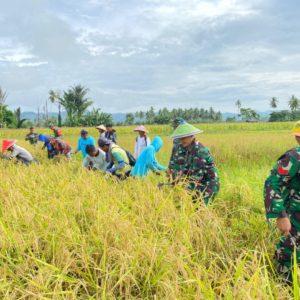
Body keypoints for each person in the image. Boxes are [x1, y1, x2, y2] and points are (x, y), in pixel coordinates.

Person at [264, 121, 300, 282]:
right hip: (295, 217)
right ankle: (283, 287)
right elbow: (272, 183)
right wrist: (280, 215)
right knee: (289, 252)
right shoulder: (293, 158)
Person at [168, 122, 219, 205]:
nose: (182, 140)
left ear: (191, 136)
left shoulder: (199, 151)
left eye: (184, 137)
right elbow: (184, 170)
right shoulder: (187, 149)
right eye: (180, 138)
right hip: (196, 184)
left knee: (200, 211)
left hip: (207, 185)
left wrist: (179, 188)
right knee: (189, 207)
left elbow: (195, 178)